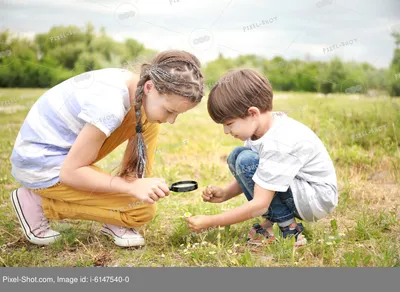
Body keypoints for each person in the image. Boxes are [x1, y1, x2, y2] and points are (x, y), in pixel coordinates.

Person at [10, 50, 204, 247]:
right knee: (140, 210)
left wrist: (137, 184)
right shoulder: (109, 105)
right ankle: (36, 202)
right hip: (41, 167)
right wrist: (130, 188)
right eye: (170, 111)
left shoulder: (130, 85)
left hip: (63, 157)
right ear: (149, 87)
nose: (171, 121)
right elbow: (70, 172)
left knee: (150, 120)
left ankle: (126, 195)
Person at [185, 69, 338, 246]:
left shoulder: (279, 142)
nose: (226, 131)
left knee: (245, 160)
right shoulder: (258, 132)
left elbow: (260, 204)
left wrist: (211, 222)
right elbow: (258, 174)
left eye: (229, 124)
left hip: (315, 199)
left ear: (253, 113)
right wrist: (226, 193)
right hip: (298, 189)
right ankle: (278, 220)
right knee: (238, 156)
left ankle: (290, 229)